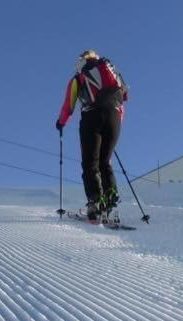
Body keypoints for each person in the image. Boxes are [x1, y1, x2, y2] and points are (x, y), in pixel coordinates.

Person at [56, 50, 128, 220]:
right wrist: (114, 123)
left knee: (90, 162)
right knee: (105, 161)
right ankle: (110, 198)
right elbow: (122, 101)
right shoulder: (112, 73)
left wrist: (61, 123)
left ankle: (95, 202)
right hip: (115, 119)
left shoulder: (79, 77)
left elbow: (69, 105)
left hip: (92, 117)